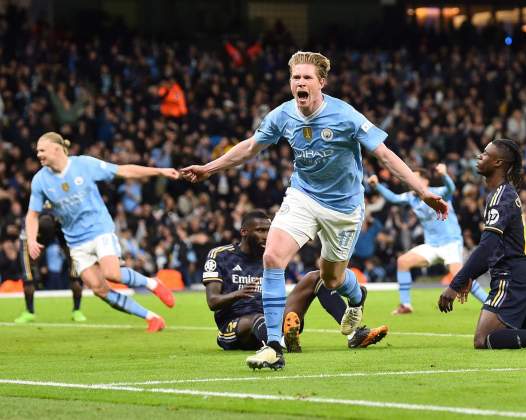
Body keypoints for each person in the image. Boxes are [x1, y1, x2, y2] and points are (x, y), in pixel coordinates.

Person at [181, 51, 447, 370]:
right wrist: (210, 169)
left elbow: (386, 156)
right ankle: (274, 346)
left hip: (344, 208)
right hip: (303, 196)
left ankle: (357, 297)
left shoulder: (345, 115)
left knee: (331, 280)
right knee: (273, 257)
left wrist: (423, 191)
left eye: (307, 77)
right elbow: (251, 147)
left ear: (321, 82)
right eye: (296, 78)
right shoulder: (282, 115)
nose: (300, 83)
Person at [26, 132, 178, 332]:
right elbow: (32, 215)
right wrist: (31, 239)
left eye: (42, 150)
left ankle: (152, 283)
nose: (38, 154)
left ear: (56, 148)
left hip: (99, 229)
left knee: (112, 274)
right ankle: (152, 318)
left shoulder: (84, 165)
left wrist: (159, 172)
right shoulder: (40, 181)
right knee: (98, 289)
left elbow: (124, 171)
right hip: (75, 241)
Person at [438, 139, 526, 351]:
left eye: (484, 154)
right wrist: (471, 276)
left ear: (498, 163)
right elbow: (494, 248)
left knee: (483, 340)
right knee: (520, 335)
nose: (479, 157)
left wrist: (455, 285)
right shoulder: (505, 193)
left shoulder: (501, 196)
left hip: (511, 277)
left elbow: (487, 247)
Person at [203, 210, 388, 357]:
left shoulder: (272, 256)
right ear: (244, 232)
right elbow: (212, 301)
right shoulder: (221, 255)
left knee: (316, 277)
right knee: (257, 320)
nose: (267, 236)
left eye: (269, 230)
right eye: (260, 231)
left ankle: (353, 334)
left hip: (274, 318)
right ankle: (281, 342)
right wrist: (238, 294)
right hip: (235, 326)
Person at [368, 164, 488, 315]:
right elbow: (393, 198)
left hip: (450, 242)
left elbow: (450, 188)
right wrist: (377, 186)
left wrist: (444, 175)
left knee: (460, 277)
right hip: (431, 245)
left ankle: (489, 303)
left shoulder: (437, 193)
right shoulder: (411, 197)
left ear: (425, 181)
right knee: (403, 262)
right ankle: (406, 305)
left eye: (414, 178)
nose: (410, 181)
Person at [14, 211, 87, 323]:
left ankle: (77, 310)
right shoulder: (28, 223)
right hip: (34, 235)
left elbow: (75, 244)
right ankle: (29, 311)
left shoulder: (65, 220)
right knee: (28, 276)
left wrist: (75, 267)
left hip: (61, 230)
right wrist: (28, 272)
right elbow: (23, 248)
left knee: (75, 273)